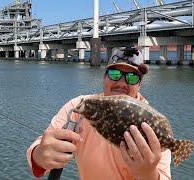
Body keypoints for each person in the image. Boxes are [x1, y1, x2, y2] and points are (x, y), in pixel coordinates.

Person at [26, 47, 171, 180]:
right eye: (115, 74)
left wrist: (149, 174)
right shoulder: (81, 106)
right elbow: (39, 153)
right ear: (104, 77)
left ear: (139, 84)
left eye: (132, 77)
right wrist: (40, 155)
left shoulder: (151, 122)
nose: (121, 82)